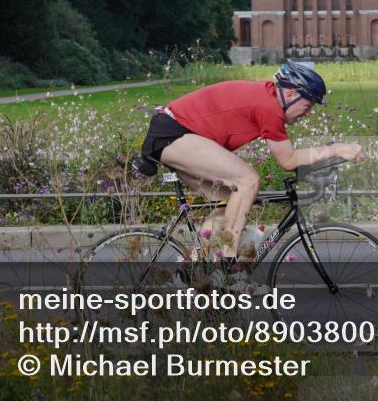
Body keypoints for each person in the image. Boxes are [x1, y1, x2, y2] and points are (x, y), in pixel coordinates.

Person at [132, 61, 365, 271]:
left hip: (175, 133)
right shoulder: (269, 106)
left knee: (234, 200)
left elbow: (291, 159)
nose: (308, 113)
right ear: (291, 93)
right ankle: (227, 259)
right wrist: (336, 149)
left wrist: (327, 161)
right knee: (248, 181)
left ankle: (195, 266)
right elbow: (289, 160)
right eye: (308, 105)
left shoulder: (268, 99)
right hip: (174, 134)